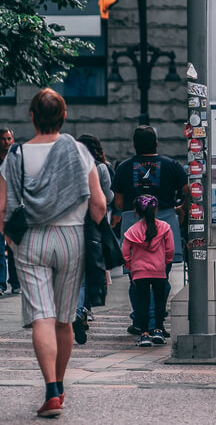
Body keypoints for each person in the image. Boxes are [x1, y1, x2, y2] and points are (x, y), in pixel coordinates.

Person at [0, 88, 107, 418]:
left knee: (41, 317)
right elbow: (100, 204)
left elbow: (2, 208)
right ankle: (59, 386)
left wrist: (10, 239)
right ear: (64, 116)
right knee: (64, 318)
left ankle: (50, 390)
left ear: (32, 117)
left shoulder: (14, 156)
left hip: (32, 241)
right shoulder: (77, 151)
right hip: (71, 239)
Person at [113, 126, 187, 334]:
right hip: (165, 223)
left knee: (137, 278)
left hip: (133, 223)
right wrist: (181, 209)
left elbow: (118, 202)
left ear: (134, 145)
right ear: (156, 143)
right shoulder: (172, 165)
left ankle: (141, 320)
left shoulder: (124, 168)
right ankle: (157, 321)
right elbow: (189, 190)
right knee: (162, 274)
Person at [73, 134, 113, 345]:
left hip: (66, 224)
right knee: (86, 272)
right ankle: (79, 311)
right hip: (90, 226)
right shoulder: (100, 168)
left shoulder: (67, 167)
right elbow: (105, 198)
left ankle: (70, 311)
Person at [122, 194, 174, 347]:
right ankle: (158, 330)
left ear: (136, 211)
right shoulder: (164, 228)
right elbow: (170, 250)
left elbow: (125, 252)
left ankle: (144, 334)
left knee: (142, 303)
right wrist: (165, 262)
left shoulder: (132, 231)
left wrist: (130, 266)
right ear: (156, 210)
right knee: (159, 302)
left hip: (139, 272)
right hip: (159, 270)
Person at [0, 126, 14, 296]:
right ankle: (1, 284)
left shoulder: (16, 160)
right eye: (3, 139)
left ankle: (16, 283)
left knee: (15, 248)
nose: (6, 142)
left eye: (9, 139)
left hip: (14, 209)